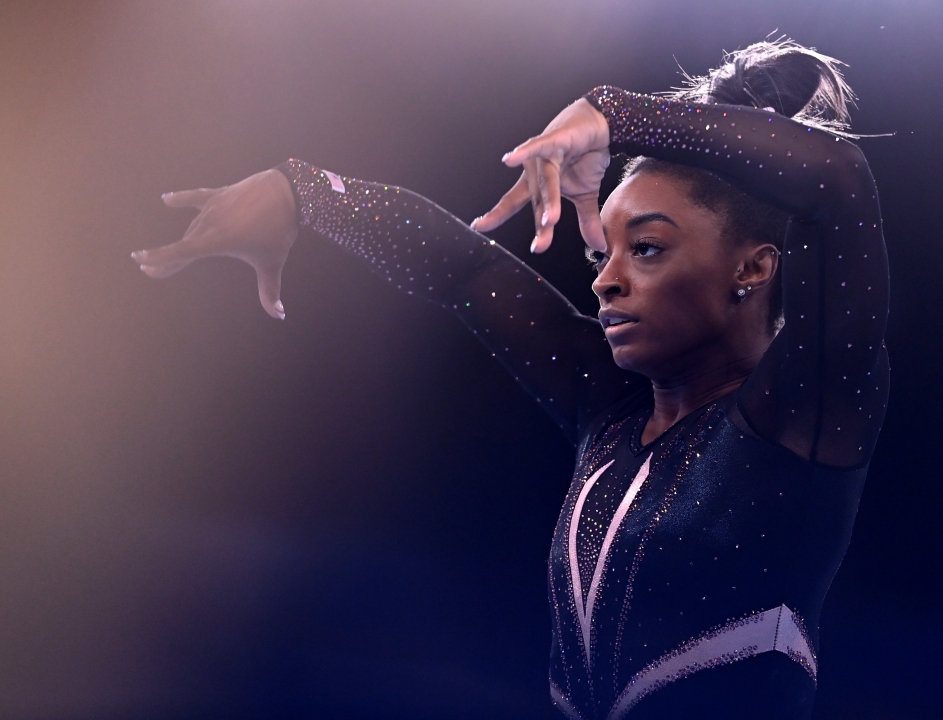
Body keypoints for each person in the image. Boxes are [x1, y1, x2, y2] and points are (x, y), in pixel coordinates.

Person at [132, 40, 888, 720]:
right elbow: (460, 265)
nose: (606, 284)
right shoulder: (614, 414)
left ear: (753, 268)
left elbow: (839, 178)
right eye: (605, 256)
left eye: (648, 250)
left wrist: (613, 115)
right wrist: (302, 192)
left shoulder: (798, 417)